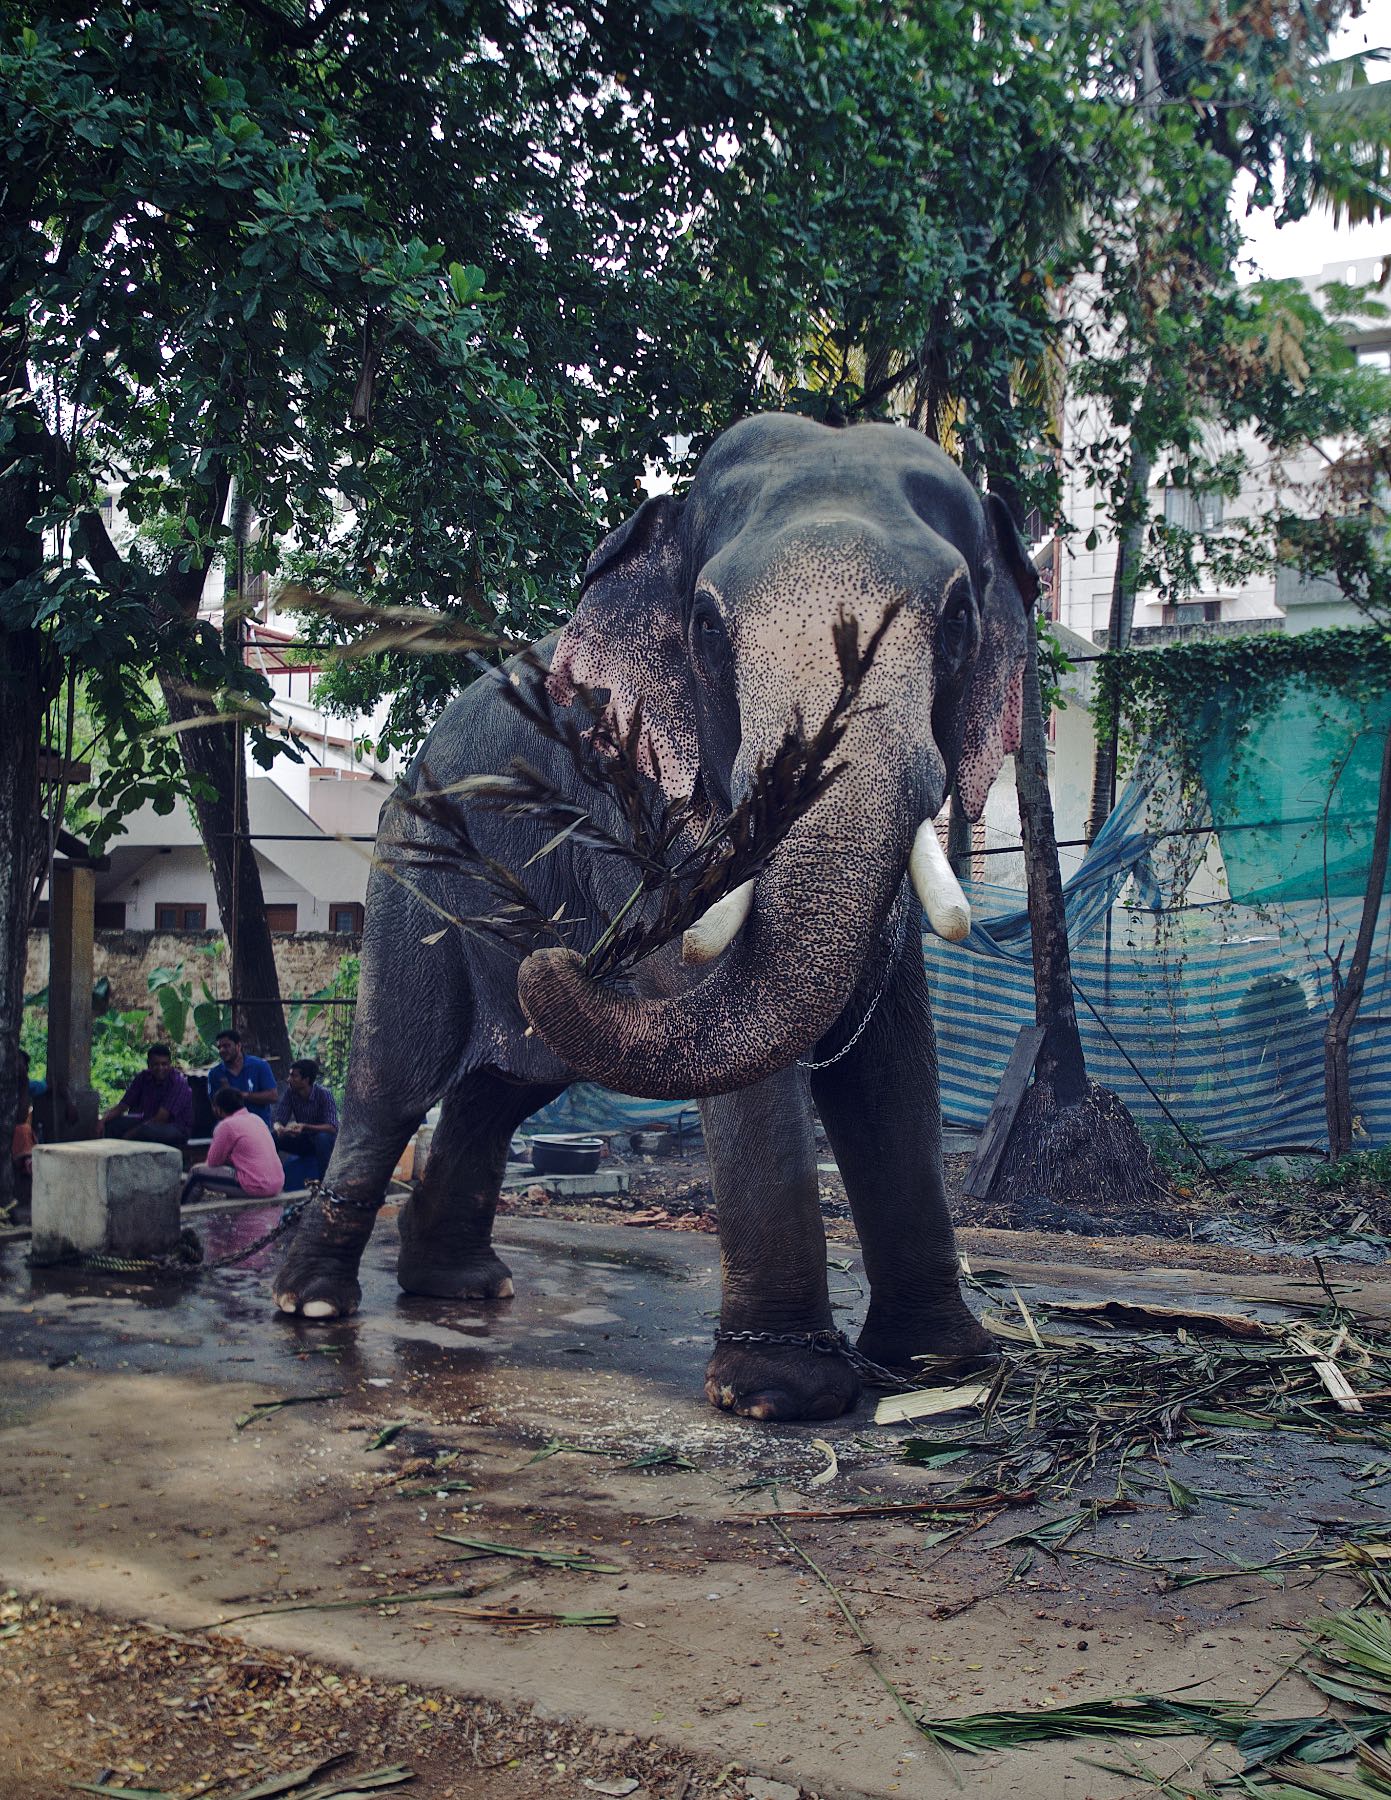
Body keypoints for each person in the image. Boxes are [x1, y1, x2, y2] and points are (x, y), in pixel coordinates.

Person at [180, 1088, 284, 1207]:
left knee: (196, 1173)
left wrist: (226, 1156)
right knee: (234, 1169)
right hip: (277, 1183)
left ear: (218, 1108)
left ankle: (181, 1215)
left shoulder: (226, 1125)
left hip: (257, 1185)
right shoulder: (256, 1118)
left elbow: (213, 1162)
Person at [101, 1044, 193, 1148]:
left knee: (143, 1131)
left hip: (176, 1128)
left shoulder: (178, 1083)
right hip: (147, 1122)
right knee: (112, 1125)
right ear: (149, 1064)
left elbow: (161, 1118)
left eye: (164, 1064)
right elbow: (123, 1105)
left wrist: (131, 1134)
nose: (160, 1068)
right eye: (156, 1064)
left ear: (170, 1064)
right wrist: (102, 1121)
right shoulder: (143, 1077)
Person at [273, 1058, 338, 1183]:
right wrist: (279, 1127)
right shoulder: (290, 1093)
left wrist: (305, 1126)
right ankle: (272, 1180)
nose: (289, 1079)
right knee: (273, 1137)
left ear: (306, 1080)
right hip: (305, 1140)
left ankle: (325, 1183)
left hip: (326, 1143)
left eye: (294, 1076)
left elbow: (332, 1127)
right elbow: (279, 1119)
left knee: (322, 1138)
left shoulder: (324, 1094)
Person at [207, 1029, 278, 1125]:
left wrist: (242, 1095)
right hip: (230, 1127)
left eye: (227, 1046)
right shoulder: (215, 1073)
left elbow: (273, 1096)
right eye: (219, 1047)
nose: (222, 1050)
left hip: (259, 1127)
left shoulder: (259, 1066)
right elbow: (215, 1107)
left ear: (238, 1046)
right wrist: (226, 1098)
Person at [11, 1050, 35, 1183]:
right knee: (23, 1130)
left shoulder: (26, 1086)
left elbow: (21, 1116)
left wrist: (24, 1080)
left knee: (24, 1129)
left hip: (15, 1133)